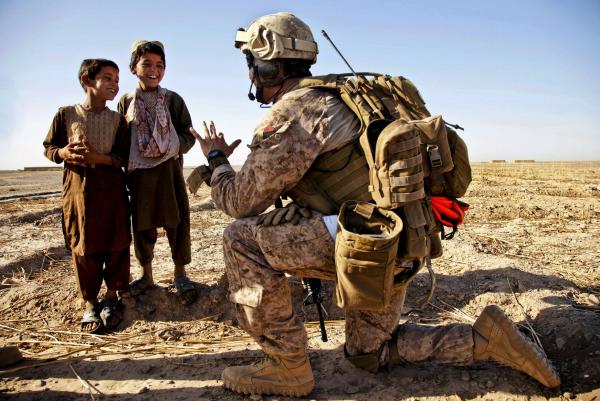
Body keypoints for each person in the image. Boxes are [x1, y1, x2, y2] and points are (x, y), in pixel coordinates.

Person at [194, 12, 561, 397]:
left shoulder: (294, 112)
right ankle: (484, 339)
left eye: (253, 64)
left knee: (240, 239)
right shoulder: (350, 98)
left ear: (268, 67)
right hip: (403, 241)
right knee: (369, 353)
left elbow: (239, 202)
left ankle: (286, 366)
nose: (251, 73)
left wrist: (217, 160)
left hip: (366, 247)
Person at [43, 59, 131, 333]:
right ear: (87, 80)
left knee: (116, 241)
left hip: (112, 190)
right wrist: (63, 153)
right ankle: (90, 302)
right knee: (83, 244)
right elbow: (49, 148)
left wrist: (98, 158)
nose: (115, 84)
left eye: (117, 79)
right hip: (79, 191)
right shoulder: (66, 114)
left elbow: (123, 157)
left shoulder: (118, 121)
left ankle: (111, 297)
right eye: (108, 78)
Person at [118, 40, 198, 305]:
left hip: (169, 173)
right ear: (133, 68)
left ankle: (180, 274)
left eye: (160, 65)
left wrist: (171, 147)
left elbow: (188, 133)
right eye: (147, 64)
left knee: (177, 222)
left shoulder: (173, 100)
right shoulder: (126, 102)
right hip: (140, 177)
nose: (154, 70)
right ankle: (147, 275)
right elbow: (122, 139)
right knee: (142, 226)